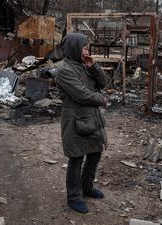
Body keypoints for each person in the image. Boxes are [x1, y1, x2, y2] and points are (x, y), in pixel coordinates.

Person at [55, 33, 107, 213]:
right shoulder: (64, 71)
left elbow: (103, 83)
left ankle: (87, 187)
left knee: (95, 153)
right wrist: (100, 99)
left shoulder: (84, 65)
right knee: (76, 158)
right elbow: (82, 94)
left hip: (91, 118)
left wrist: (93, 66)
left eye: (88, 48)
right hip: (75, 120)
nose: (87, 52)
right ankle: (74, 197)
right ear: (75, 48)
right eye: (85, 48)